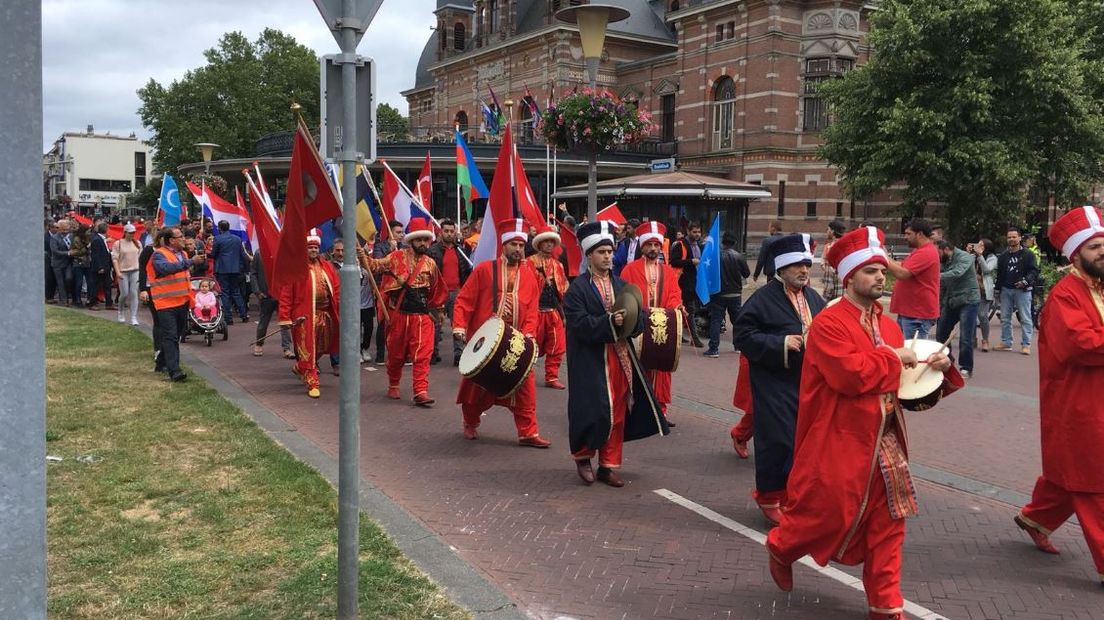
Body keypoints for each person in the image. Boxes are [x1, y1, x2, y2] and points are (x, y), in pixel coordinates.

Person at [766, 226, 960, 620]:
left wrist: (938, 364)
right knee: (826, 514)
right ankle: (782, 546)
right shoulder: (829, 323)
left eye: (881, 270)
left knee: (891, 523)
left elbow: (907, 384)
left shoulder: (886, 324)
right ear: (850, 275)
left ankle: (886, 608)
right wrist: (897, 358)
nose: (880, 277)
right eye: (871, 271)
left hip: (885, 443)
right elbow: (849, 376)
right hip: (838, 441)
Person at [1013, 206, 1104, 587]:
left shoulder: (1099, 288)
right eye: (1096, 246)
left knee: (1069, 474)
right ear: (1076, 254)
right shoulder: (1065, 294)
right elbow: (1079, 346)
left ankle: (1036, 516)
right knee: (1092, 482)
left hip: (1096, 400)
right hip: (1078, 405)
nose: (1103, 252)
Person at [564, 220, 669, 488]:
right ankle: (583, 456)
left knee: (620, 409)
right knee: (593, 409)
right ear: (589, 255)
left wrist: (633, 322)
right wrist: (610, 323)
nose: (608, 256)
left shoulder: (622, 284)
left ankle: (608, 465)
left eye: (610, 252)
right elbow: (579, 324)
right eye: (601, 252)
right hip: (591, 359)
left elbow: (637, 319)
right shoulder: (577, 289)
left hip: (621, 357)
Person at [733, 234, 826, 524]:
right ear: (782, 268)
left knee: (805, 443)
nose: (804, 271)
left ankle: (794, 496)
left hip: (808, 383)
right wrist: (781, 344)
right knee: (779, 441)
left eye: (807, 266)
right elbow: (742, 336)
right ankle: (769, 496)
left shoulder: (813, 297)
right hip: (774, 383)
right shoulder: (762, 299)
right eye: (797, 265)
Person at [452, 219, 551, 447]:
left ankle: (528, 432)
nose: (517, 249)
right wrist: (459, 325)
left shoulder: (530, 276)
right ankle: (470, 421)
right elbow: (464, 300)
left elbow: (532, 310)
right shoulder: (485, 270)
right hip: (486, 343)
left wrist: (529, 335)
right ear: (503, 245)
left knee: (525, 389)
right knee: (476, 389)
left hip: (515, 342)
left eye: (520, 245)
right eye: (513, 244)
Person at [366, 219, 448, 406]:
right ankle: (393, 383)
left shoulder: (430, 264)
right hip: (399, 314)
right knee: (396, 355)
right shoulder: (396, 257)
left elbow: (437, 289)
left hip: (421, 316)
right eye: (418, 240)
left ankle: (420, 391)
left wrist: (439, 311)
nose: (422, 243)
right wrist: (363, 257)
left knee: (423, 355)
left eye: (425, 240)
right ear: (411, 240)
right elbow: (375, 266)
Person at [620, 221, 683, 425]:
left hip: (663, 328)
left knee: (662, 369)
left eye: (657, 245)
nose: (654, 248)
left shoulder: (668, 271)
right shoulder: (629, 270)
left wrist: (676, 308)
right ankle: (640, 411)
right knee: (638, 369)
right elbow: (625, 297)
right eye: (649, 245)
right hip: (638, 328)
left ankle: (661, 411)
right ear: (642, 246)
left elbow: (674, 295)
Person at [278, 229, 340, 398]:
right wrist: (285, 317)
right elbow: (286, 294)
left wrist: (340, 308)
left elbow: (336, 289)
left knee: (323, 346)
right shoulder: (296, 268)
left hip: (325, 314)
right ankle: (312, 381)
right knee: (308, 349)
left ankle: (300, 367)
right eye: (310, 247)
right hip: (303, 316)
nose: (313, 250)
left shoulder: (327, 266)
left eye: (315, 248)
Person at [147, 227, 195, 382]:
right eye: (180, 236)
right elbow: (165, 268)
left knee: (176, 336)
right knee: (170, 335)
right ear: (172, 240)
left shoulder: (183, 254)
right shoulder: (159, 254)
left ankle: (161, 362)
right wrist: (189, 262)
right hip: (165, 303)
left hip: (182, 301)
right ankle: (175, 370)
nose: (184, 239)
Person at [525, 223, 569, 389]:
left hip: (553, 311)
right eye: (546, 241)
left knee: (557, 345)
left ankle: (552, 377)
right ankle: (524, 375)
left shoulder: (558, 265)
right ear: (539, 243)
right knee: (529, 345)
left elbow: (564, 289)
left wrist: (565, 312)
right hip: (534, 311)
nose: (549, 244)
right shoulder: (529, 262)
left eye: (552, 241)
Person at [428, 218, 473, 366]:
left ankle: (459, 354)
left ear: (455, 232)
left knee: (458, 324)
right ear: (440, 232)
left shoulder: (460, 250)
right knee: (436, 325)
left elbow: (466, 270)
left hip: (457, 292)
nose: (449, 234)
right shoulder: (433, 251)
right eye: (446, 231)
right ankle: (432, 353)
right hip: (438, 292)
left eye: (451, 231)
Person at [886, 218, 941, 339]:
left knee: (914, 353)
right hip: (911, 312)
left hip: (917, 314)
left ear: (920, 234)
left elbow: (903, 273)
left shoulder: (926, 252)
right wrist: (884, 256)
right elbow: (901, 265)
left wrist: (883, 259)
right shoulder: (920, 250)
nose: (905, 237)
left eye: (908, 234)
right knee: (906, 349)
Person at [934, 239, 980, 378]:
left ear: (946, 249)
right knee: (941, 333)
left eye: (937, 253)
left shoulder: (964, 257)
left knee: (966, 337)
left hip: (969, 300)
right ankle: (948, 360)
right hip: (951, 300)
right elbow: (942, 285)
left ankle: (966, 367)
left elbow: (956, 273)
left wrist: (933, 276)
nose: (936, 256)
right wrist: (939, 305)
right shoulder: (943, 262)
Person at [705, 230, 751, 357]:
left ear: (723, 242)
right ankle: (738, 346)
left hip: (719, 293)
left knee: (716, 320)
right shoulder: (739, 256)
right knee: (737, 320)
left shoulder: (716, 256)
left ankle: (713, 349)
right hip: (735, 293)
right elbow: (746, 273)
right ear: (734, 242)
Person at [994, 227, 1039, 355]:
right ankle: (1006, 342)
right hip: (1006, 289)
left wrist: (1025, 281)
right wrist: (997, 289)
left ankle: (1026, 344)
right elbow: (1000, 274)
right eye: (1009, 237)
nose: (1012, 239)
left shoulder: (1028, 254)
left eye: (1014, 237)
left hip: (1023, 290)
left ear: (1019, 238)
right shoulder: (1003, 256)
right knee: (1005, 317)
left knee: (1025, 318)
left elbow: (1034, 271)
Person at [251, 251, 293, 359]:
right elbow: (253, 273)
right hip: (265, 294)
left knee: (285, 322)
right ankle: (259, 344)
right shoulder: (259, 253)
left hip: (281, 294)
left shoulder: (284, 253)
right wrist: (257, 291)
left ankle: (287, 348)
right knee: (263, 322)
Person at [669, 222, 705, 347]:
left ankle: (682, 336)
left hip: (694, 283)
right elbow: (673, 262)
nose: (697, 234)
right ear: (688, 231)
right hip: (681, 283)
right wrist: (690, 261)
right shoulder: (680, 244)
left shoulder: (700, 246)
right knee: (687, 310)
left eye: (699, 232)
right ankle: (694, 338)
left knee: (689, 310)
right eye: (694, 232)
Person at [209, 220, 250, 325]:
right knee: (236, 292)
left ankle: (228, 317)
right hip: (235, 269)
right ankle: (244, 315)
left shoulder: (217, 239)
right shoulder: (237, 239)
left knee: (225, 293)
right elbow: (242, 254)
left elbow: (213, 254)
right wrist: (245, 268)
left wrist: (208, 254)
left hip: (222, 269)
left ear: (219, 228)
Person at [111, 223, 142, 325]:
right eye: (130, 233)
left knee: (134, 293)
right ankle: (120, 312)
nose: (132, 234)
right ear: (125, 233)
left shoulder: (137, 243)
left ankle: (133, 317)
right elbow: (115, 259)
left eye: (133, 232)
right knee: (124, 293)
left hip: (135, 271)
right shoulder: (118, 243)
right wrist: (118, 272)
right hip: (123, 271)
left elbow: (140, 257)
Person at [971, 238, 998, 351]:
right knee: (970, 316)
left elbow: (987, 270)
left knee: (982, 316)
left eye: (982, 245)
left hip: (984, 290)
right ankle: (972, 339)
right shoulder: (973, 256)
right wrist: (969, 254)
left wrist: (980, 256)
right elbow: (966, 267)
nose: (978, 247)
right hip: (972, 289)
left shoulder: (992, 258)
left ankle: (985, 340)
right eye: (978, 244)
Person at [87, 222, 114, 311]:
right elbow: (95, 255)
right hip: (100, 267)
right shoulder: (97, 240)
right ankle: (92, 303)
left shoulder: (101, 239)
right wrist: (100, 267)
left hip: (106, 266)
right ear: (106, 229)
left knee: (107, 285)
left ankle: (109, 303)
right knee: (96, 286)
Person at [49, 219, 73, 306]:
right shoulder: (54, 238)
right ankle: (64, 300)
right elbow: (55, 251)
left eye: (67, 229)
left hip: (68, 263)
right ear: (60, 229)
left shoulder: (71, 236)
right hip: (58, 263)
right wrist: (67, 253)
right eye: (64, 230)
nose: (66, 231)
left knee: (68, 278)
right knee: (60, 282)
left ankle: (68, 295)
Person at [821, 219, 846, 301]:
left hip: (835, 301)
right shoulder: (848, 249)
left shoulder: (831, 251)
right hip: (849, 300)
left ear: (832, 231)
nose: (827, 232)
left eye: (828, 229)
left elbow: (829, 287)